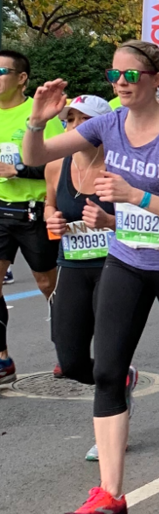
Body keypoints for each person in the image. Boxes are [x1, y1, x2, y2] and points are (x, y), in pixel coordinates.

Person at [24, 39, 159, 514]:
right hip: (125, 259)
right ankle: (110, 494)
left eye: (131, 75)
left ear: (156, 79)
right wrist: (37, 120)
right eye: (114, 76)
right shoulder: (108, 124)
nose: (121, 83)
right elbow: (37, 156)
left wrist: (134, 196)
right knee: (108, 370)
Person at [44, 94, 135, 462]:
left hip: (119, 266)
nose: (74, 128)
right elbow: (51, 205)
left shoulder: (121, 167)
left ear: (103, 128)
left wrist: (110, 221)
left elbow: (149, 222)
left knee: (109, 356)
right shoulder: (56, 166)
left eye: (84, 121)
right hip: (74, 265)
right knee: (70, 361)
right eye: (70, 120)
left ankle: (111, 429)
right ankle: (121, 380)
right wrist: (52, 219)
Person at [0, 49, 64, 384]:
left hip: (34, 212)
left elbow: (57, 162)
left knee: (47, 284)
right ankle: (2, 359)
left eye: (1, 70)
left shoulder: (39, 115)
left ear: (21, 78)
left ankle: (67, 349)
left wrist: (19, 169)